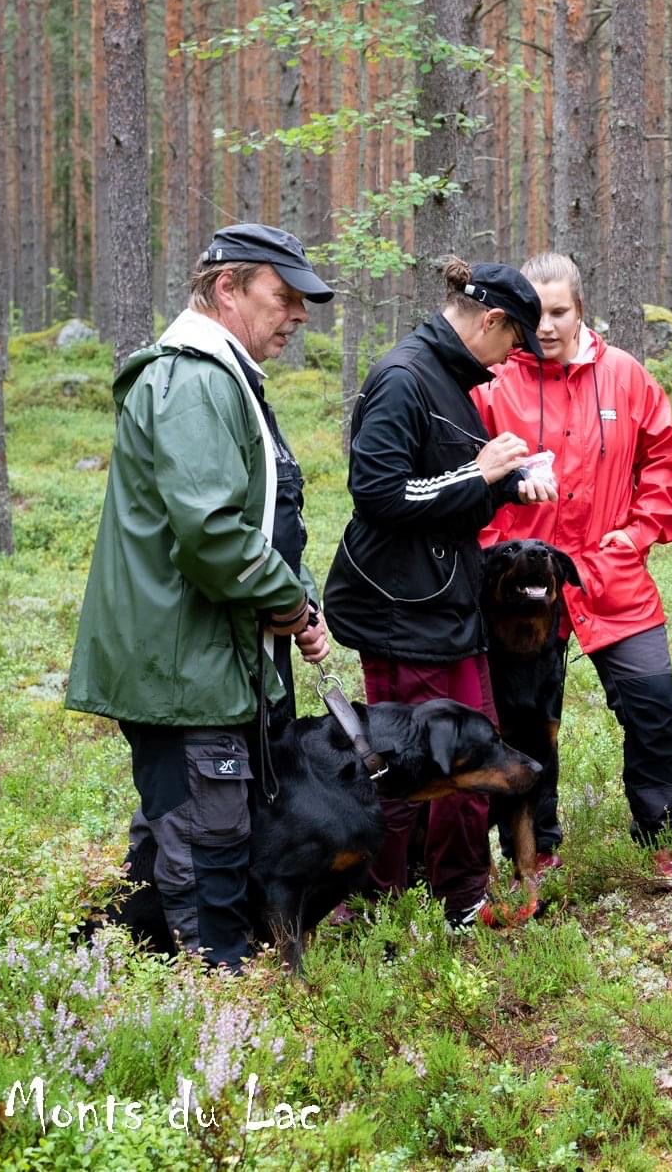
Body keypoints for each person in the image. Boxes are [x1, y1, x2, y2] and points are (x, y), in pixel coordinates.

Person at [67, 223, 336, 970]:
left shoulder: (227, 377)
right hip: (184, 665)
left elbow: (265, 520)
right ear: (227, 288)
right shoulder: (194, 383)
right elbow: (214, 533)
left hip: (210, 657)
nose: (298, 314)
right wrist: (287, 605)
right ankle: (214, 989)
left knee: (178, 833)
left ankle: (111, 968)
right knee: (207, 843)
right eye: (283, 296)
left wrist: (300, 604)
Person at [322, 257, 552, 929]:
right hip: (403, 610)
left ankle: (461, 896)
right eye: (514, 341)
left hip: (447, 604)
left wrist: (506, 485)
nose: (511, 358)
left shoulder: (449, 379)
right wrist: (480, 473)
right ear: (492, 320)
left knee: (473, 757)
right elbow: (377, 492)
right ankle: (376, 908)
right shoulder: (403, 377)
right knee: (406, 769)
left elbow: (442, 490)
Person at [473, 254, 672, 886]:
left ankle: (663, 838)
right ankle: (536, 848)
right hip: (520, 586)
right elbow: (467, 476)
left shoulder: (625, 376)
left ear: (580, 309)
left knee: (654, 707)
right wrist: (495, 550)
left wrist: (639, 532)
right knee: (524, 724)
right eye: (534, 313)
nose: (545, 326)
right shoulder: (491, 383)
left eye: (559, 312)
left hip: (610, 573)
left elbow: (663, 460)